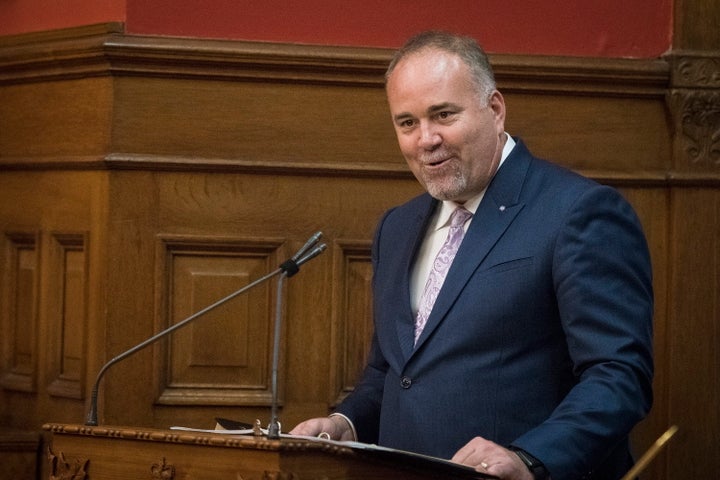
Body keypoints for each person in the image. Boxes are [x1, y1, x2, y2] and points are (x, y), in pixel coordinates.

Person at [290, 31, 654, 480]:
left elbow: (619, 375)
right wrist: (346, 423)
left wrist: (527, 457)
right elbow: (392, 373)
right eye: (407, 123)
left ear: (494, 109)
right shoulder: (396, 227)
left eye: (443, 114)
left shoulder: (578, 212)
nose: (426, 139)